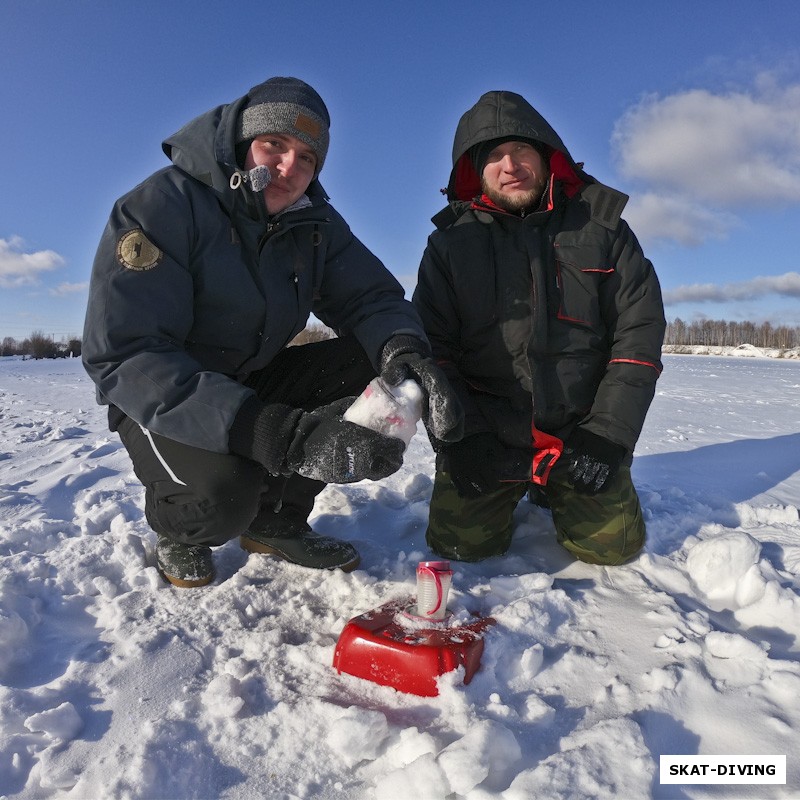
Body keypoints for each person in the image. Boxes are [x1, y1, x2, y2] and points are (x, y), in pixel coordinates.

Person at [83, 77, 462, 588]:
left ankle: (276, 520)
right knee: (223, 498)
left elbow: (370, 299)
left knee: (374, 360)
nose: (289, 168)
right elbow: (126, 353)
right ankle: (182, 526)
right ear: (242, 144)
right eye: (275, 146)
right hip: (159, 394)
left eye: (307, 157)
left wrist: (406, 359)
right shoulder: (162, 206)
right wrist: (285, 436)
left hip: (252, 376)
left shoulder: (314, 224)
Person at [413, 90, 665, 566]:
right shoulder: (449, 245)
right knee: (461, 548)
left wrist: (609, 435)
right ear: (474, 171)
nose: (510, 165)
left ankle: (557, 488)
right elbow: (433, 350)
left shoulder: (604, 229)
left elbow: (639, 336)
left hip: (581, 430)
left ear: (548, 158)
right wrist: (460, 439)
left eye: (522, 150)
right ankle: (514, 480)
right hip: (490, 434)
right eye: (494, 156)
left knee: (610, 549)